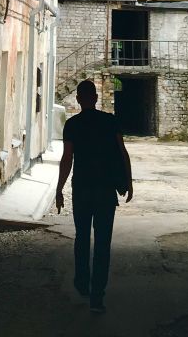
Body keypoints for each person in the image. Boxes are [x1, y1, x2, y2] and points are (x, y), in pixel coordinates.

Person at [55, 79, 133, 313]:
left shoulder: (73, 125)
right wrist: (129, 183)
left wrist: (59, 189)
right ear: (96, 98)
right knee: (102, 243)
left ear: (78, 99)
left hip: (82, 190)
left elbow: (67, 158)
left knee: (81, 237)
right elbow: (123, 152)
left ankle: (82, 282)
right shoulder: (110, 121)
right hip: (106, 191)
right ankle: (97, 296)